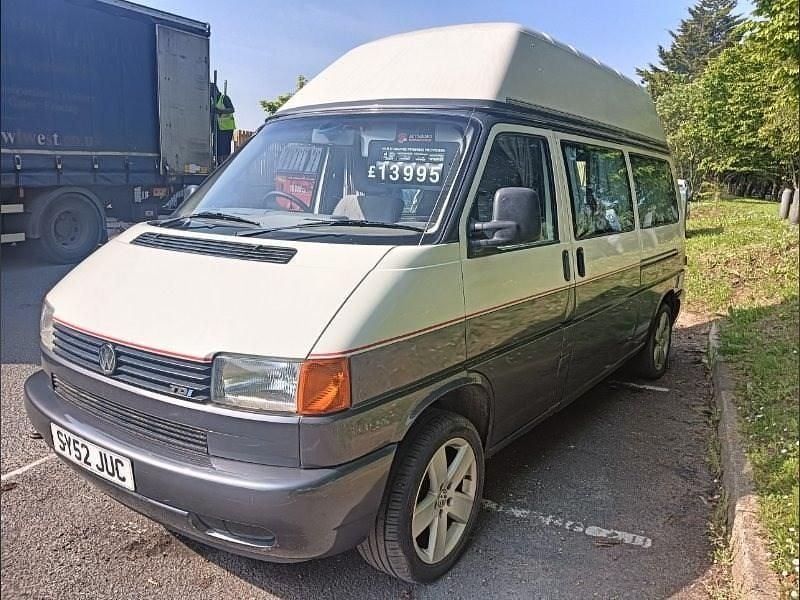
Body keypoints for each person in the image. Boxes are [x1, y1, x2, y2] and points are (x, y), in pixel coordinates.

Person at [212, 82, 236, 163]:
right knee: (217, 149)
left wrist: (220, 111)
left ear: (215, 90)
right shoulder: (212, 101)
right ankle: (219, 165)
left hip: (226, 128)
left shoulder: (224, 98)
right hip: (217, 129)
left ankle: (224, 164)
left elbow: (231, 109)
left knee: (225, 149)